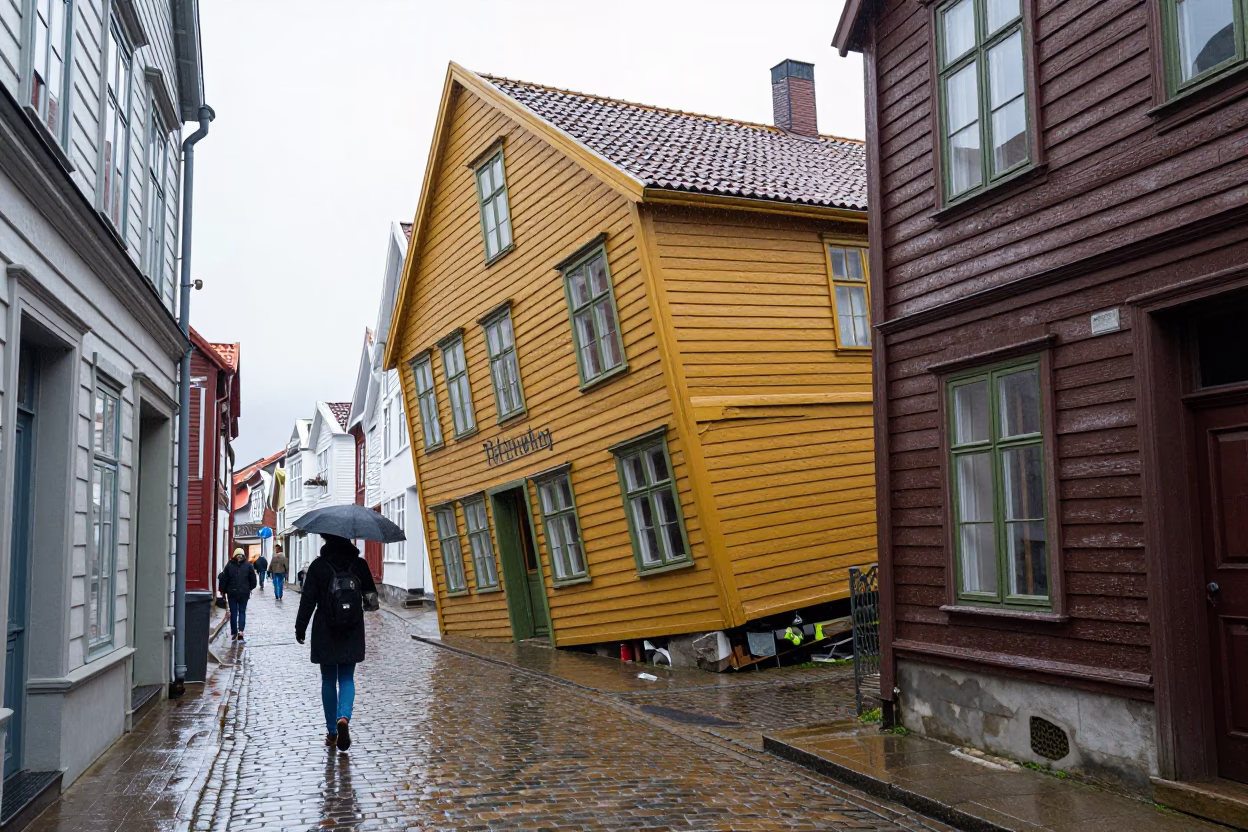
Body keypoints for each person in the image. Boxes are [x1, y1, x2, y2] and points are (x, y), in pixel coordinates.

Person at [295, 535, 379, 752]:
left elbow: (307, 600)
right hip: (352, 628)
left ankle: (332, 732)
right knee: (347, 678)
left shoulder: (318, 566)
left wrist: (300, 628)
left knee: (328, 679)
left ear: (326, 539)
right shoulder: (359, 564)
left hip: (325, 628)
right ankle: (344, 717)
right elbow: (372, 600)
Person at [219, 548, 257, 642]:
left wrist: (223, 591)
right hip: (244, 593)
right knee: (242, 612)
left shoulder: (229, 565)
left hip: (232, 593)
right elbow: (253, 581)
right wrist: (248, 588)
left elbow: (224, 579)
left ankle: (234, 633)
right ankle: (241, 633)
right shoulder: (248, 565)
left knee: (234, 612)